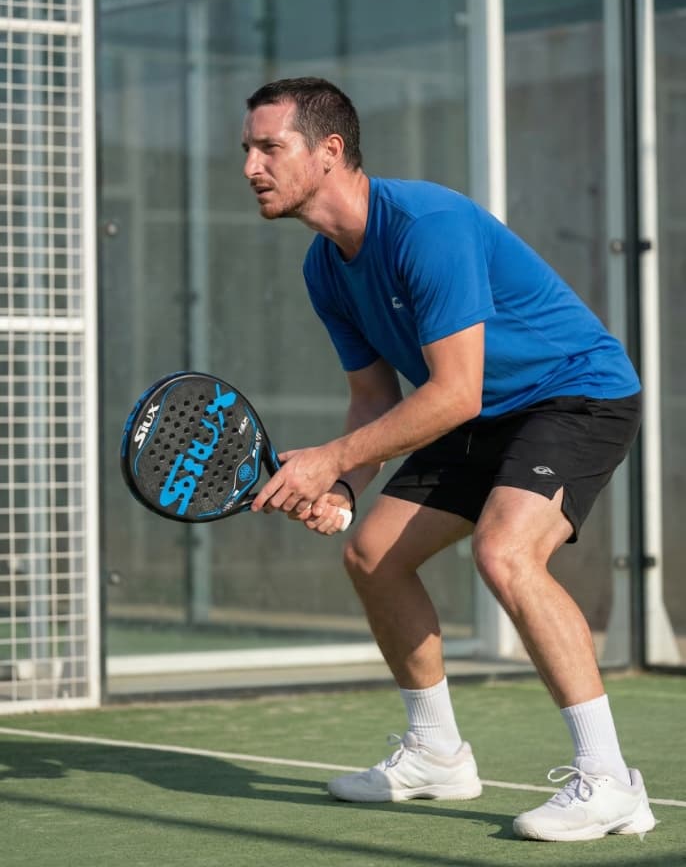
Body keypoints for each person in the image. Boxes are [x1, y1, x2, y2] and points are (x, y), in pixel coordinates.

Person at [241, 76, 656, 842]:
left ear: (330, 151)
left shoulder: (426, 224)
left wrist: (328, 457)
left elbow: (455, 393)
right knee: (371, 555)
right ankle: (436, 753)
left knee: (506, 552)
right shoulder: (324, 268)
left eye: (270, 147)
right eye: (248, 150)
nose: (251, 167)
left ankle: (609, 782)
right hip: (477, 408)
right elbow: (374, 401)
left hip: (574, 393)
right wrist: (341, 481)